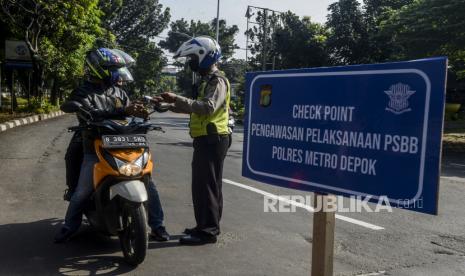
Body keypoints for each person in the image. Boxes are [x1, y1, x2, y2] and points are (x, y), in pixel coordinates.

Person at [55, 48, 169, 243]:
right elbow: (82, 108)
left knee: (150, 184)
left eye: (117, 68)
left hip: (125, 144)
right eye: (112, 68)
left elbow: (128, 114)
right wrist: (123, 109)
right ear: (99, 69)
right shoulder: (84, 91)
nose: (117, 73)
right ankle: (69, 226)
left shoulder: (119, 91)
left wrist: (139, 112)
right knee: (82, 191)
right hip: (95, 147)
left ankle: (158, 226)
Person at [154, 36, 231, 245]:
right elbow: (195, 108)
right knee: (205, 186)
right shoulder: (207, 80)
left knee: (206, 186)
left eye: (192, 59)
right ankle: (205, 225)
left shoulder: (218, 80)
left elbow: (207, 107)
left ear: (204, 56)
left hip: (213, 138)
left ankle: (207, 232)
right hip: (206, 138)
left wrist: (176, 99)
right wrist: (168, 105)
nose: (190, 64)